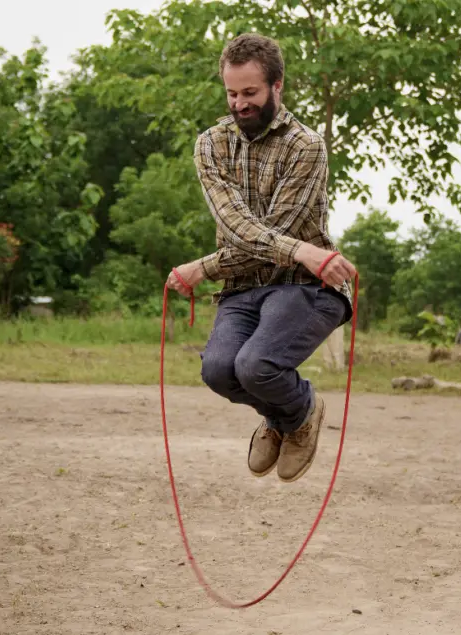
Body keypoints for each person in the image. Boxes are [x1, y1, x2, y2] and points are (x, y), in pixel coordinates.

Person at [166, 33, 357, 483]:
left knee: (256, 366)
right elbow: (239, 228)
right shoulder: (210, 144)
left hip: (304, 285)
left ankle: (299, 412)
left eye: (250, 93)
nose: (239, 104)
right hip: (245, 286)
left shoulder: (307, 147)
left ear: (277, 86)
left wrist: (202, 268)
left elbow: (276, 233)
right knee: (217, 370)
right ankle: (289, 419)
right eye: (231, 93)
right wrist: (305, 251)